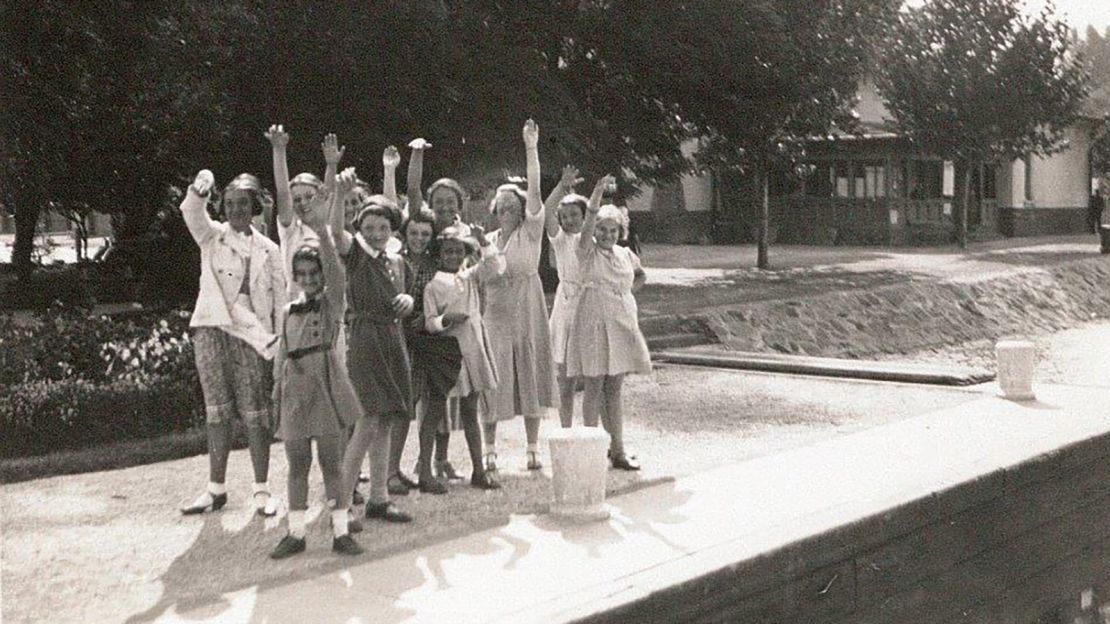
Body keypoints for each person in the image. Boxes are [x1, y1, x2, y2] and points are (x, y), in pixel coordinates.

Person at [179, 170, 286, 515]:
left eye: (243, 203)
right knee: (217, 412)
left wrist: (279, 345)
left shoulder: (269, 249)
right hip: (212, 330)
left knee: (257, 414)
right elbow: (192, 213)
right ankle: (215, 489)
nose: (236, 210)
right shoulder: (212, 237)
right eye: (229, 204)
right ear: (222, 207)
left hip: (253, 337)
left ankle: (261, 490)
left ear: (254, 206)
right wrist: (201, 187)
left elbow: (280, 299)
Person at [269, 190, 364, 559]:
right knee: (297, 464)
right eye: (302, 274)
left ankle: (341, 531)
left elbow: (338, 278)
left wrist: (322, 233)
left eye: (314, 274)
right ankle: (296, 532)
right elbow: (281, 353)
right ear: (294, 277)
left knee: (330, 463)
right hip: (295, 389)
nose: (308, 279)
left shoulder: (330, 305)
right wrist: (278, 390)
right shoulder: (289, 310)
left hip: (325, 384)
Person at [331, 193, 415, 523]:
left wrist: (407, 300)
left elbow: (405, 297)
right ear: (360, 228)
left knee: (385, 423)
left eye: (383, 227)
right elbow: (335, 233)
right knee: (365, 424)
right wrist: (339, 190)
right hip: (366, 341)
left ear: (393, 229)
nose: (376, 233)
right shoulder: (356, 256)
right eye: (369, 227)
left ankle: (378, 498)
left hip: (393, 340)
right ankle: (341, 506)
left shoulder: (396, 261)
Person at [480, 119, 559, 473]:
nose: (508, 209)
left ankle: (531, 448)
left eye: (514, 205)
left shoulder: (531, 233)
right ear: (495, 211)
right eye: (502, 206)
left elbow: (538, 191)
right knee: (492, 374)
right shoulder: (487, 241)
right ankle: (489, 449)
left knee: (529, 368)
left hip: (528, 302)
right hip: (495, 309)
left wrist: (531, 146)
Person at [564, 176, 650, 471]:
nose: (607, 234)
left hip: (622, 321)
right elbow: (587, 224)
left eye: (612, 230)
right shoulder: (585, 249)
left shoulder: (626, 254)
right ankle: (590, 451)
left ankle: (619, 449)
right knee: (593, 384)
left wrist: (623, 296)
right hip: (593, 320)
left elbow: (641, 276)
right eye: (602, 229)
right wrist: (596, 197)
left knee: (614, 388)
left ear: (620, 232)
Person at [423, 225, 504, 489]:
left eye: (459, 251)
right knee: (436, 410)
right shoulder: (433, 286)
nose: (454, 256)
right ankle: (429, 468)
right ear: (439, 255)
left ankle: (478, 470)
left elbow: (494, 266)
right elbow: (429, 322)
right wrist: (446, 319)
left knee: (471, 408)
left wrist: (482, 240)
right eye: (448, 251)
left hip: (472, 349)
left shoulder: (469, 276)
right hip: (446, 352)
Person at [388, 204, 453, 495]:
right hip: (406, 342)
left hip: (435, 340)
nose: (419, 238)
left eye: (425, 233)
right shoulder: (395, 261)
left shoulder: (436, 263)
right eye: (413, 233)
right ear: (405, 234)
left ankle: (425, 468)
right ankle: (391, 472)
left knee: (434, 405)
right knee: (404, 407)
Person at [266, 125, 343, 298]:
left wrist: (331, 165)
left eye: (309, 196)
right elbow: (283, 192)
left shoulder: (330, 229)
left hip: (328, 306)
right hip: (296, 307)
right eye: (297, 199)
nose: (303, 203)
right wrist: (279, 150)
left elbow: (328, 194)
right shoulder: (290, 231)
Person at [543, 166, 588, 427]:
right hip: (565, 303)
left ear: (584, 217)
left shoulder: (591, 240)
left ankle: (594, 430)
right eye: (566, 216)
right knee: (565, 374)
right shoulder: (559, 240)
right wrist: (562, 186)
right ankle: (566, 427)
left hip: (588, 301)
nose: (570, 220)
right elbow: (548, 209)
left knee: (594, 372)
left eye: (575, 215)